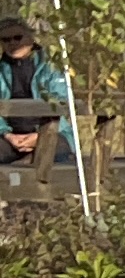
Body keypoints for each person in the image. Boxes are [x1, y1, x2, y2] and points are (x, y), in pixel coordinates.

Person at [0, 9, 71, 169]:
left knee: (52, 150)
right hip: (11, 136)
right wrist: (8, 134)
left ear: (31, 37)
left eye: (18, 37)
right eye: (6, 39)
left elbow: (62, 102)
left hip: (51, 132)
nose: (12, 43)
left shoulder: (51, 66)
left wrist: (39, 136)